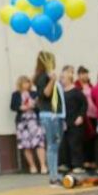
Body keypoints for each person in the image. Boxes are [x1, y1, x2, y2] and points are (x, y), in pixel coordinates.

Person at [33, 50, 64, 186]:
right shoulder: (43, 76)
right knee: (52, 145)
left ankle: (55, 173)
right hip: (49, 115)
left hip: (54, 114)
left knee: (55, 145)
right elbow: (45, 93)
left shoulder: (45, 75)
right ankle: (53, 177)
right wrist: (52, 80)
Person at [10, 75, 46, 174]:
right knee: (26, 145)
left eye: (28, 82)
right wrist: (21, 107)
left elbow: (41, 105)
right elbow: (13, 106)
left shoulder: (34, 93)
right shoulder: (16, 94)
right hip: (22, 121)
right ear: (20, 84)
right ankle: (32, 166)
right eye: (25, 82)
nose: (27, 84)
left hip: (34, 120)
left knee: (39, 142)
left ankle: (43, 165)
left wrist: (33, 105)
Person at [61, 65, 87, 173]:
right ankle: (66, 164)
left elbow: (84, 104)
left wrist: (81, 116)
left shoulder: (76, 91)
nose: (62, 80)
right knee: (65, 144)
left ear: (69, 79)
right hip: (64, 121)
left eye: (63, 78)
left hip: (75, 121)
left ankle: (77, 165)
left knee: (75, 144)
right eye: (61, 78)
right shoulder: (61, 92)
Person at [75, 65, 98, 169]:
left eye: (86, 74)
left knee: (93, 138)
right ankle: (85, 160)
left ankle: (92, 160)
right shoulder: (77, 86)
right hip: (84, 115)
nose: (85, 76)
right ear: (79, 75)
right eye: (83, 74)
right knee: (85, 138)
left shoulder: (90, 85)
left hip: (93, 114)